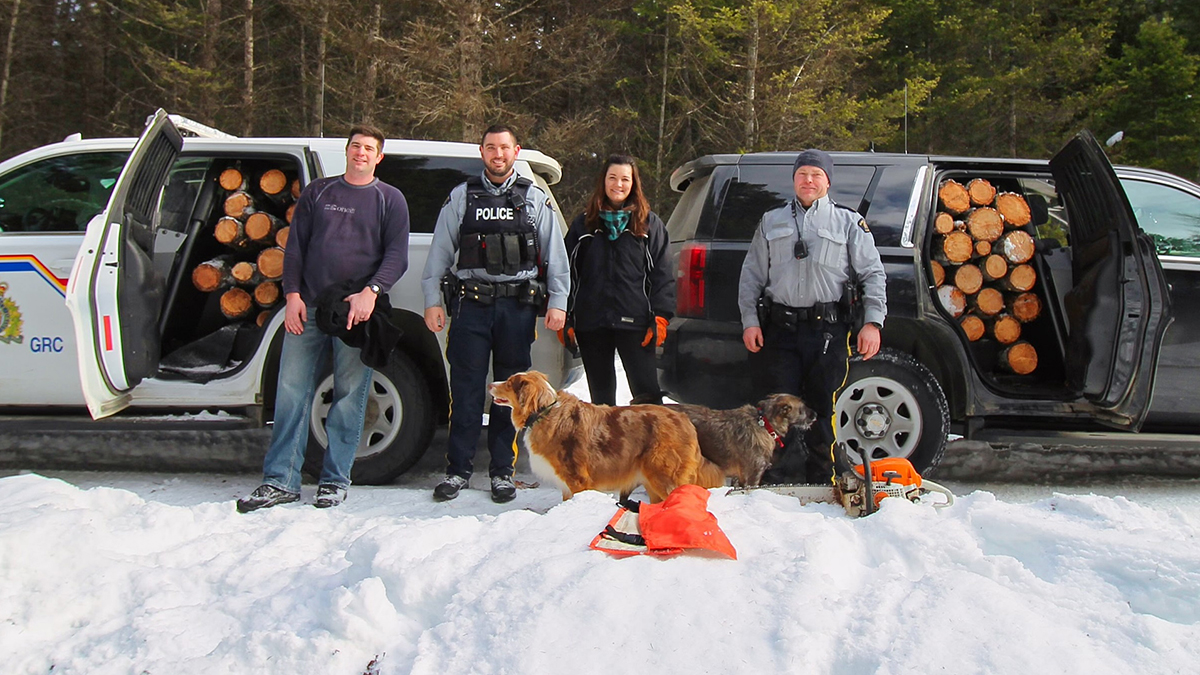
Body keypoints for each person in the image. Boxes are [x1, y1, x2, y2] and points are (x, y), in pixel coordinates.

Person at [237, 124, 410, 512]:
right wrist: (293, 295)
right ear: (346, 152)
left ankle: (335, 481)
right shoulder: (319, 192)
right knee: (290, 392)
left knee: (350, 396)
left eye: (368, 148)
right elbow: (296, 246)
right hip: (310, 307)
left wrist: (371, 293)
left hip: (356, 312)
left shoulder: (390, 199)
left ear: (379, 157)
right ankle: (280, 480)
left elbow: (397, 256)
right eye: (355, 146)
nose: (360, 153)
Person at [422, 124, 569, 503]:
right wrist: (432, 300)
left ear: (515, 151)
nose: (498, 154)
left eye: (504, 148)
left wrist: (558, 302)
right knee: (466, 391)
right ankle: (457, 471)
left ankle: (502, 473)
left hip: (517, 309)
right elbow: (439, 252)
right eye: (491, 148)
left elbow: (556, 255)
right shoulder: (461, 197)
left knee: (513, 395)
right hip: (470, 306)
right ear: (482, 151)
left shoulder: (533, 198)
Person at [737, 148, 886, 484]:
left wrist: (873, 323)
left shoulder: (849, 224)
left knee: (822, 406)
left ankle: (822, 475)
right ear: (794, 179)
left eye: (816, 175)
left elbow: (873, 274)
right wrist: (750, 321)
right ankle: (778, 477)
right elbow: (751, 276)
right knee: (777, 409)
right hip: (779, 329)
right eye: (802, 174)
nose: (809, 180)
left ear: (828, 181)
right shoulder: (771, 221)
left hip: (828, 332)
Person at [564, 154, 673, 406]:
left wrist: (661, 316)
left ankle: (653, 446)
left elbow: (663, 274)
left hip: (637, 324)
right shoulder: (583, 225)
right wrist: (567, 316)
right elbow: (567, 272)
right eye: (612, 178)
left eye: (625, 179)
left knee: (648, 398)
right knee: (601, 402)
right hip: (592, 324)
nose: (618, 184)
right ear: (603, 181)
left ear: (634, 184)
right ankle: (607, 446)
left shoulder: (649, 225)